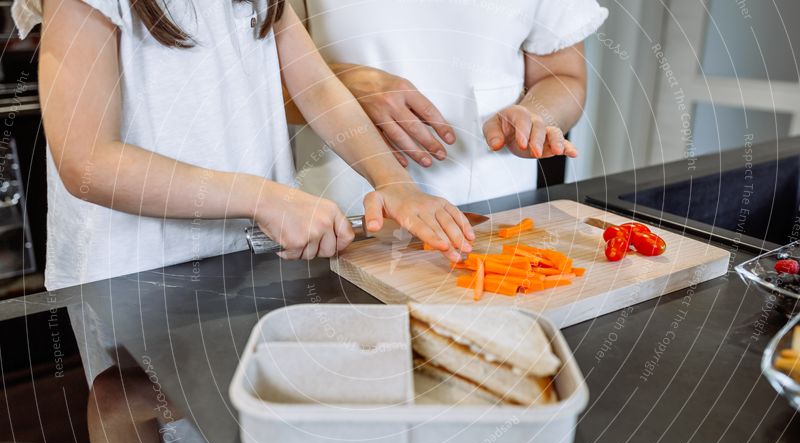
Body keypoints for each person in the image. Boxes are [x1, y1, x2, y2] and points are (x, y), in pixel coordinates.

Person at [12, 0, 476, 291]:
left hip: (248, 261)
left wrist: (394, 182)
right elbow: (87, 162)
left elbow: (314, 84)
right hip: (130, 278)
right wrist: (261, 198)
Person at [287, 0, 608, 215]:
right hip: (342, 211)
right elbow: (261, 88)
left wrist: (536, 115)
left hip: (493, 213)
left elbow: (564, 76)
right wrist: (344, 83)